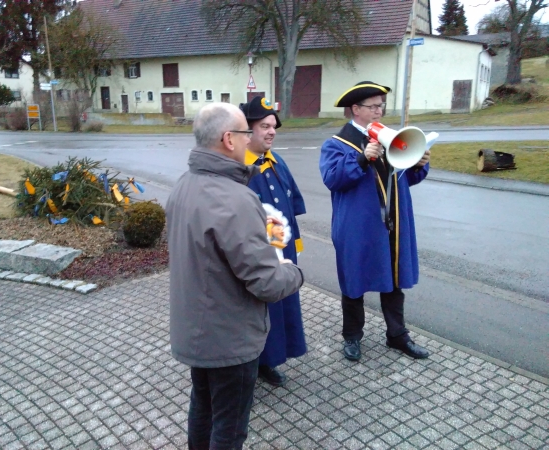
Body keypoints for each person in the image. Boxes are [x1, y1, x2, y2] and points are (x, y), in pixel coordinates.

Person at [166, 102, 304, 449]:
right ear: (229, 139)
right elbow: (267, 283)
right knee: (229, 427)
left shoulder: (185, 184)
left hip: (197, 330)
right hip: (230, 338)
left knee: (203, 408)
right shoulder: (234, 199)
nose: (250, 139)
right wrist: (294, 272)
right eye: (246, 132)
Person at [319, 81, 431, 361]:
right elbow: (332, 179)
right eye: (373, 106)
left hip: (392, 223)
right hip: (357, 226)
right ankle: (352, 336)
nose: (379, 111)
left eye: (381, 106)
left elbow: (407, 180)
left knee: (394, 279)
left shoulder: (390, 137)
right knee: (354, 279)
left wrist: (419, 163)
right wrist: (361, 159)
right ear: (355, 109)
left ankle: (397, 335)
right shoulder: (335, 144)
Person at [240, 96, 307, 387]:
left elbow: (292, 209)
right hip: (256, 258)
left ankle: (268, 361)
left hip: (283, 254)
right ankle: (247, 369)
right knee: (253, 313)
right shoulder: (237, 169)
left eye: (273, 126)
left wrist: (296, 249)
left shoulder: (276, 161)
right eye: (264, 126)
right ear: (246, 131)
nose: (271, 132)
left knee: (279, 310)